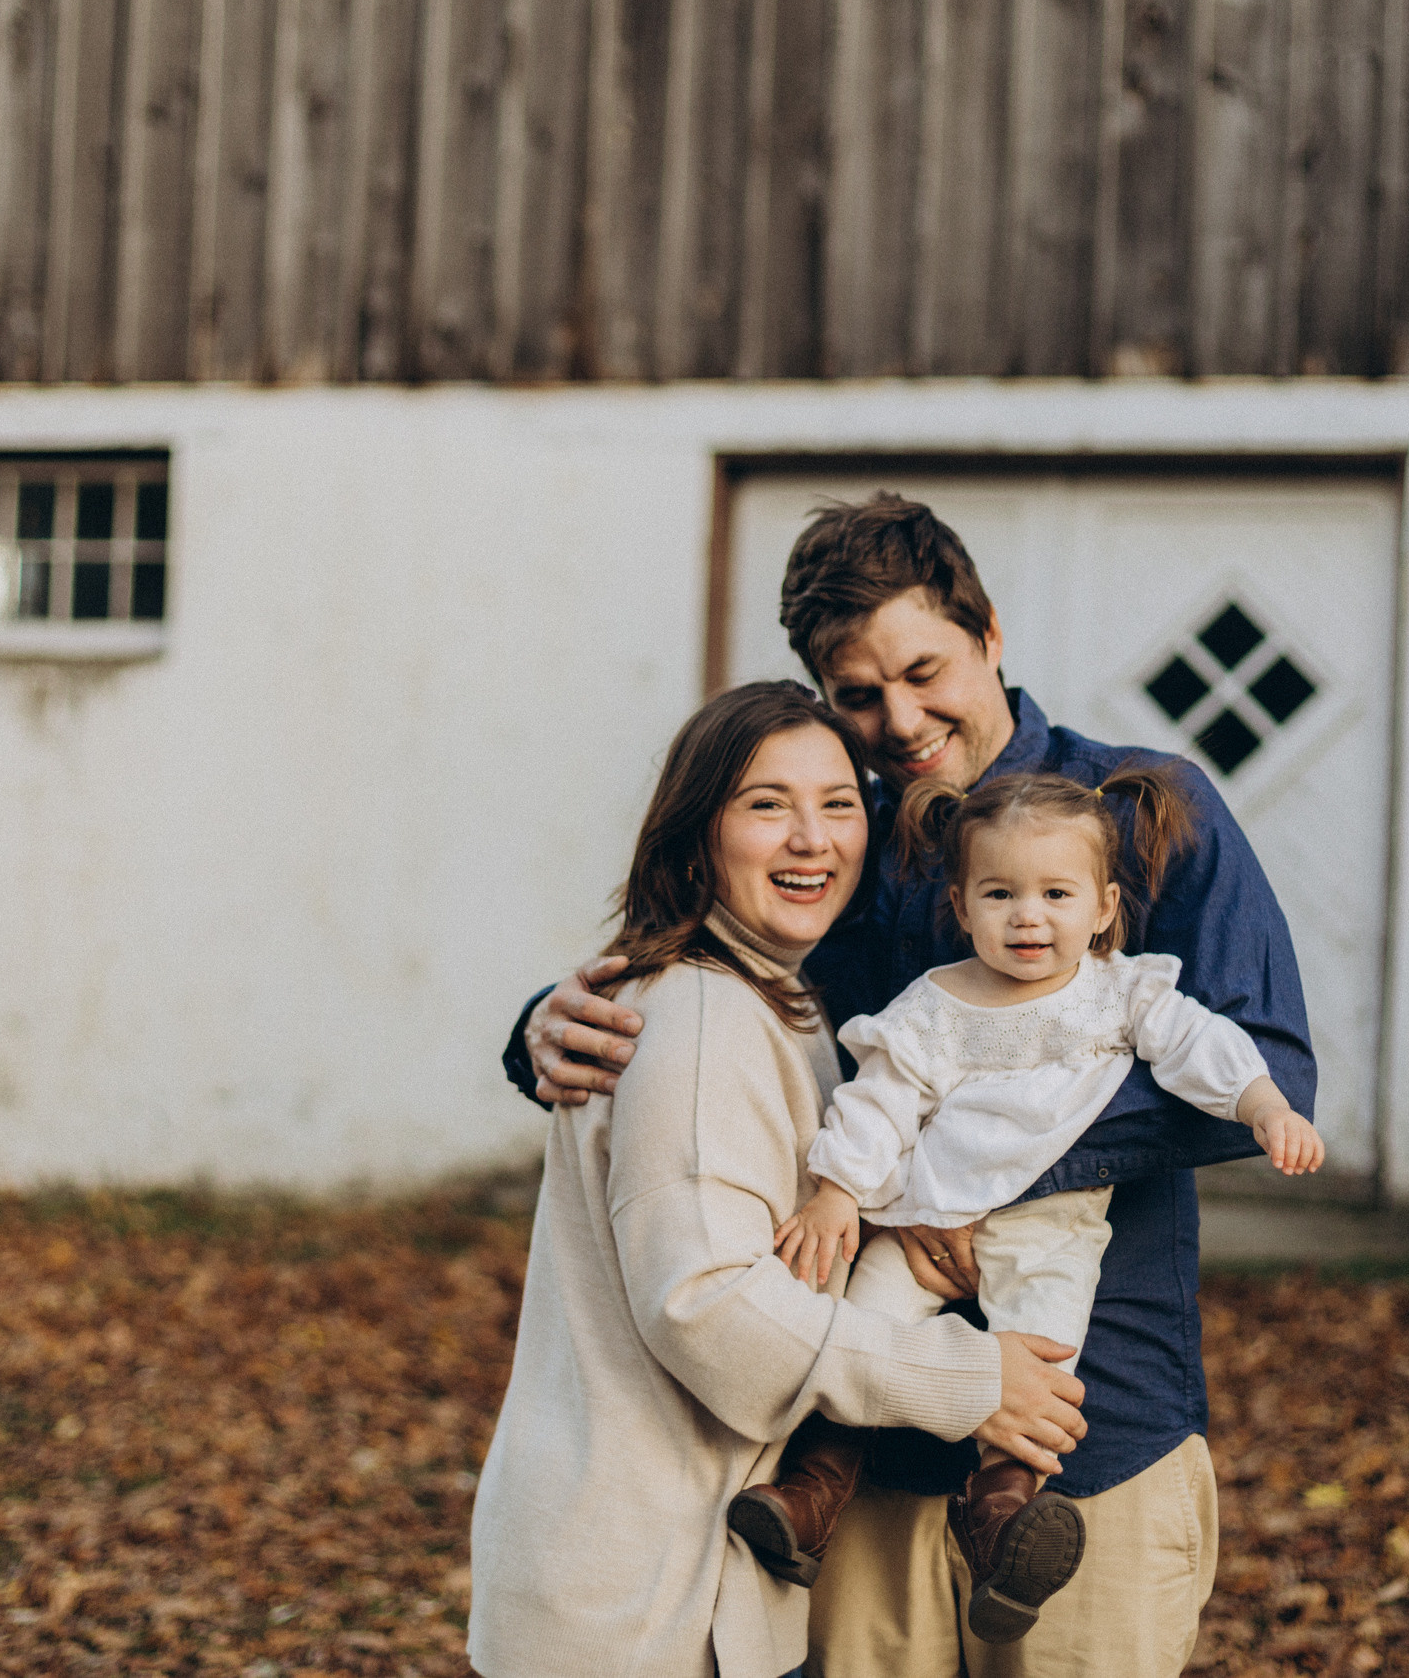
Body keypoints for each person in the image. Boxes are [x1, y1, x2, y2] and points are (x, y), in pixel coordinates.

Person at [507, 496, 1316, 1677]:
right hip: (869, 1448)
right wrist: (536, 1024)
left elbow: (1269, 1059)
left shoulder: (1143, 812)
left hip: (1096, 1425)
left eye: (925, 669)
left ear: (987, 631)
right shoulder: (840, 846)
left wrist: (977, 1184)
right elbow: (704, 958)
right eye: (859, 695)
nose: (900, 719)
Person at [467, 680, 1090, 1678]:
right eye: (767, 805)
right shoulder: (702, 1022)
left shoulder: (761, 1002)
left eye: (837, 804)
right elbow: (705, 1306)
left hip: (669, 1579)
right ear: (695, 832)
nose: (812, 839)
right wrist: (971, 1384)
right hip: (639, 1608)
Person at [733, 766, 1326, 1645]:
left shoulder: (1122, 991)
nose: (1028, 915)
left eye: (1056, 893)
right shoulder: (936, 1002)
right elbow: (880, 1098)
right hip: (921, 1215)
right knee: (867, 1329)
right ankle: (814, 1492)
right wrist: (837, 1191)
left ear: (1102, 907)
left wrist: (1265, 1104)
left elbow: (1204, 1045)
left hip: (1051, 1226)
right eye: (1000, 893)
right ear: (962, 905)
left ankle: (1004, 1510)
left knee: (1044, 1354)